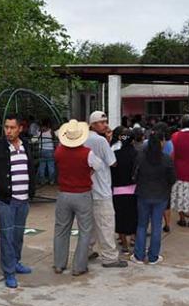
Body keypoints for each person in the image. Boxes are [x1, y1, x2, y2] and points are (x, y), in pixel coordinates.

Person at [0, 114, 35, 288]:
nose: (8, 131)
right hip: (5, 200)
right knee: (7, 236)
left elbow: (30, 168)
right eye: (6, 127)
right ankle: (9, 271)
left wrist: (31, 191)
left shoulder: (25, 145)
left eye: (12, 127)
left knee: (18, 235)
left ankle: (16, 262)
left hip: (23, 199)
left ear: (20, 128)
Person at [53, 120, 104, 276]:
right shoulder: (87, 153)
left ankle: (59, 264)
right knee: (85, 230)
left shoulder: (59, 151)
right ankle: (79, 266)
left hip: (63, 194)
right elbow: (99, 166)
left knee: (61, 229)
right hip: (82, 194)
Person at [84, 111, 128, 268]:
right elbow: (113, 162)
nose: (105, 125)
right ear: (93, 124)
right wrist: (108, 142)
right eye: (102, 122)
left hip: (86, 188)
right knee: (106, 224)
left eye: (106, 121)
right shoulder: (100, 141)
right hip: (101, 188)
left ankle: (86, 251)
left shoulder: (82, 138)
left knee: (89, 224)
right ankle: (110, 257)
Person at [131, 131, 176, 264]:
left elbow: (134, 175)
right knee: (157, 225)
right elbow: (172, 178)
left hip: (143, 194)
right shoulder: (166, 159)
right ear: (161, 142)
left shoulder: (140, 157)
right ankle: (153, 257)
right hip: (161, 196)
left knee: (142, 225)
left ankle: (139, 256)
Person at [110, 128, 137, 254]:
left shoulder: (115, 155)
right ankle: (134, 239)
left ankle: (124, 246)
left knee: (120, 218)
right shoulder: (137, 154)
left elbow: (111, 173)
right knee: (134, 216)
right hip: (134, 190)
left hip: (118, 190)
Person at [36, 118, 56, 185]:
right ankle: (51, 181)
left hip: (41, 149)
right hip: (50, 149)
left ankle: (42, 180)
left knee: (42, 166)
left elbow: (36, 139)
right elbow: (54, 139)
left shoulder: (39, 131)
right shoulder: (50, 131)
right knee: (51, 166)